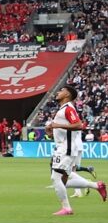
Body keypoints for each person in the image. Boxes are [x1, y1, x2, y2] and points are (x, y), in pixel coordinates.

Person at [43, 86, 106, 215]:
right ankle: (96, 186)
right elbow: (64, 130)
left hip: (66, 148)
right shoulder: (63, 109)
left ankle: (67, 208)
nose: (58, 92)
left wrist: (56, 125)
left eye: (61, 90)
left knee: (56, 179)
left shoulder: (68, 108)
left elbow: (78, 125)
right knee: (63, 181)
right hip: (64, 147)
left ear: (67, 94)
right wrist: (51, 132)